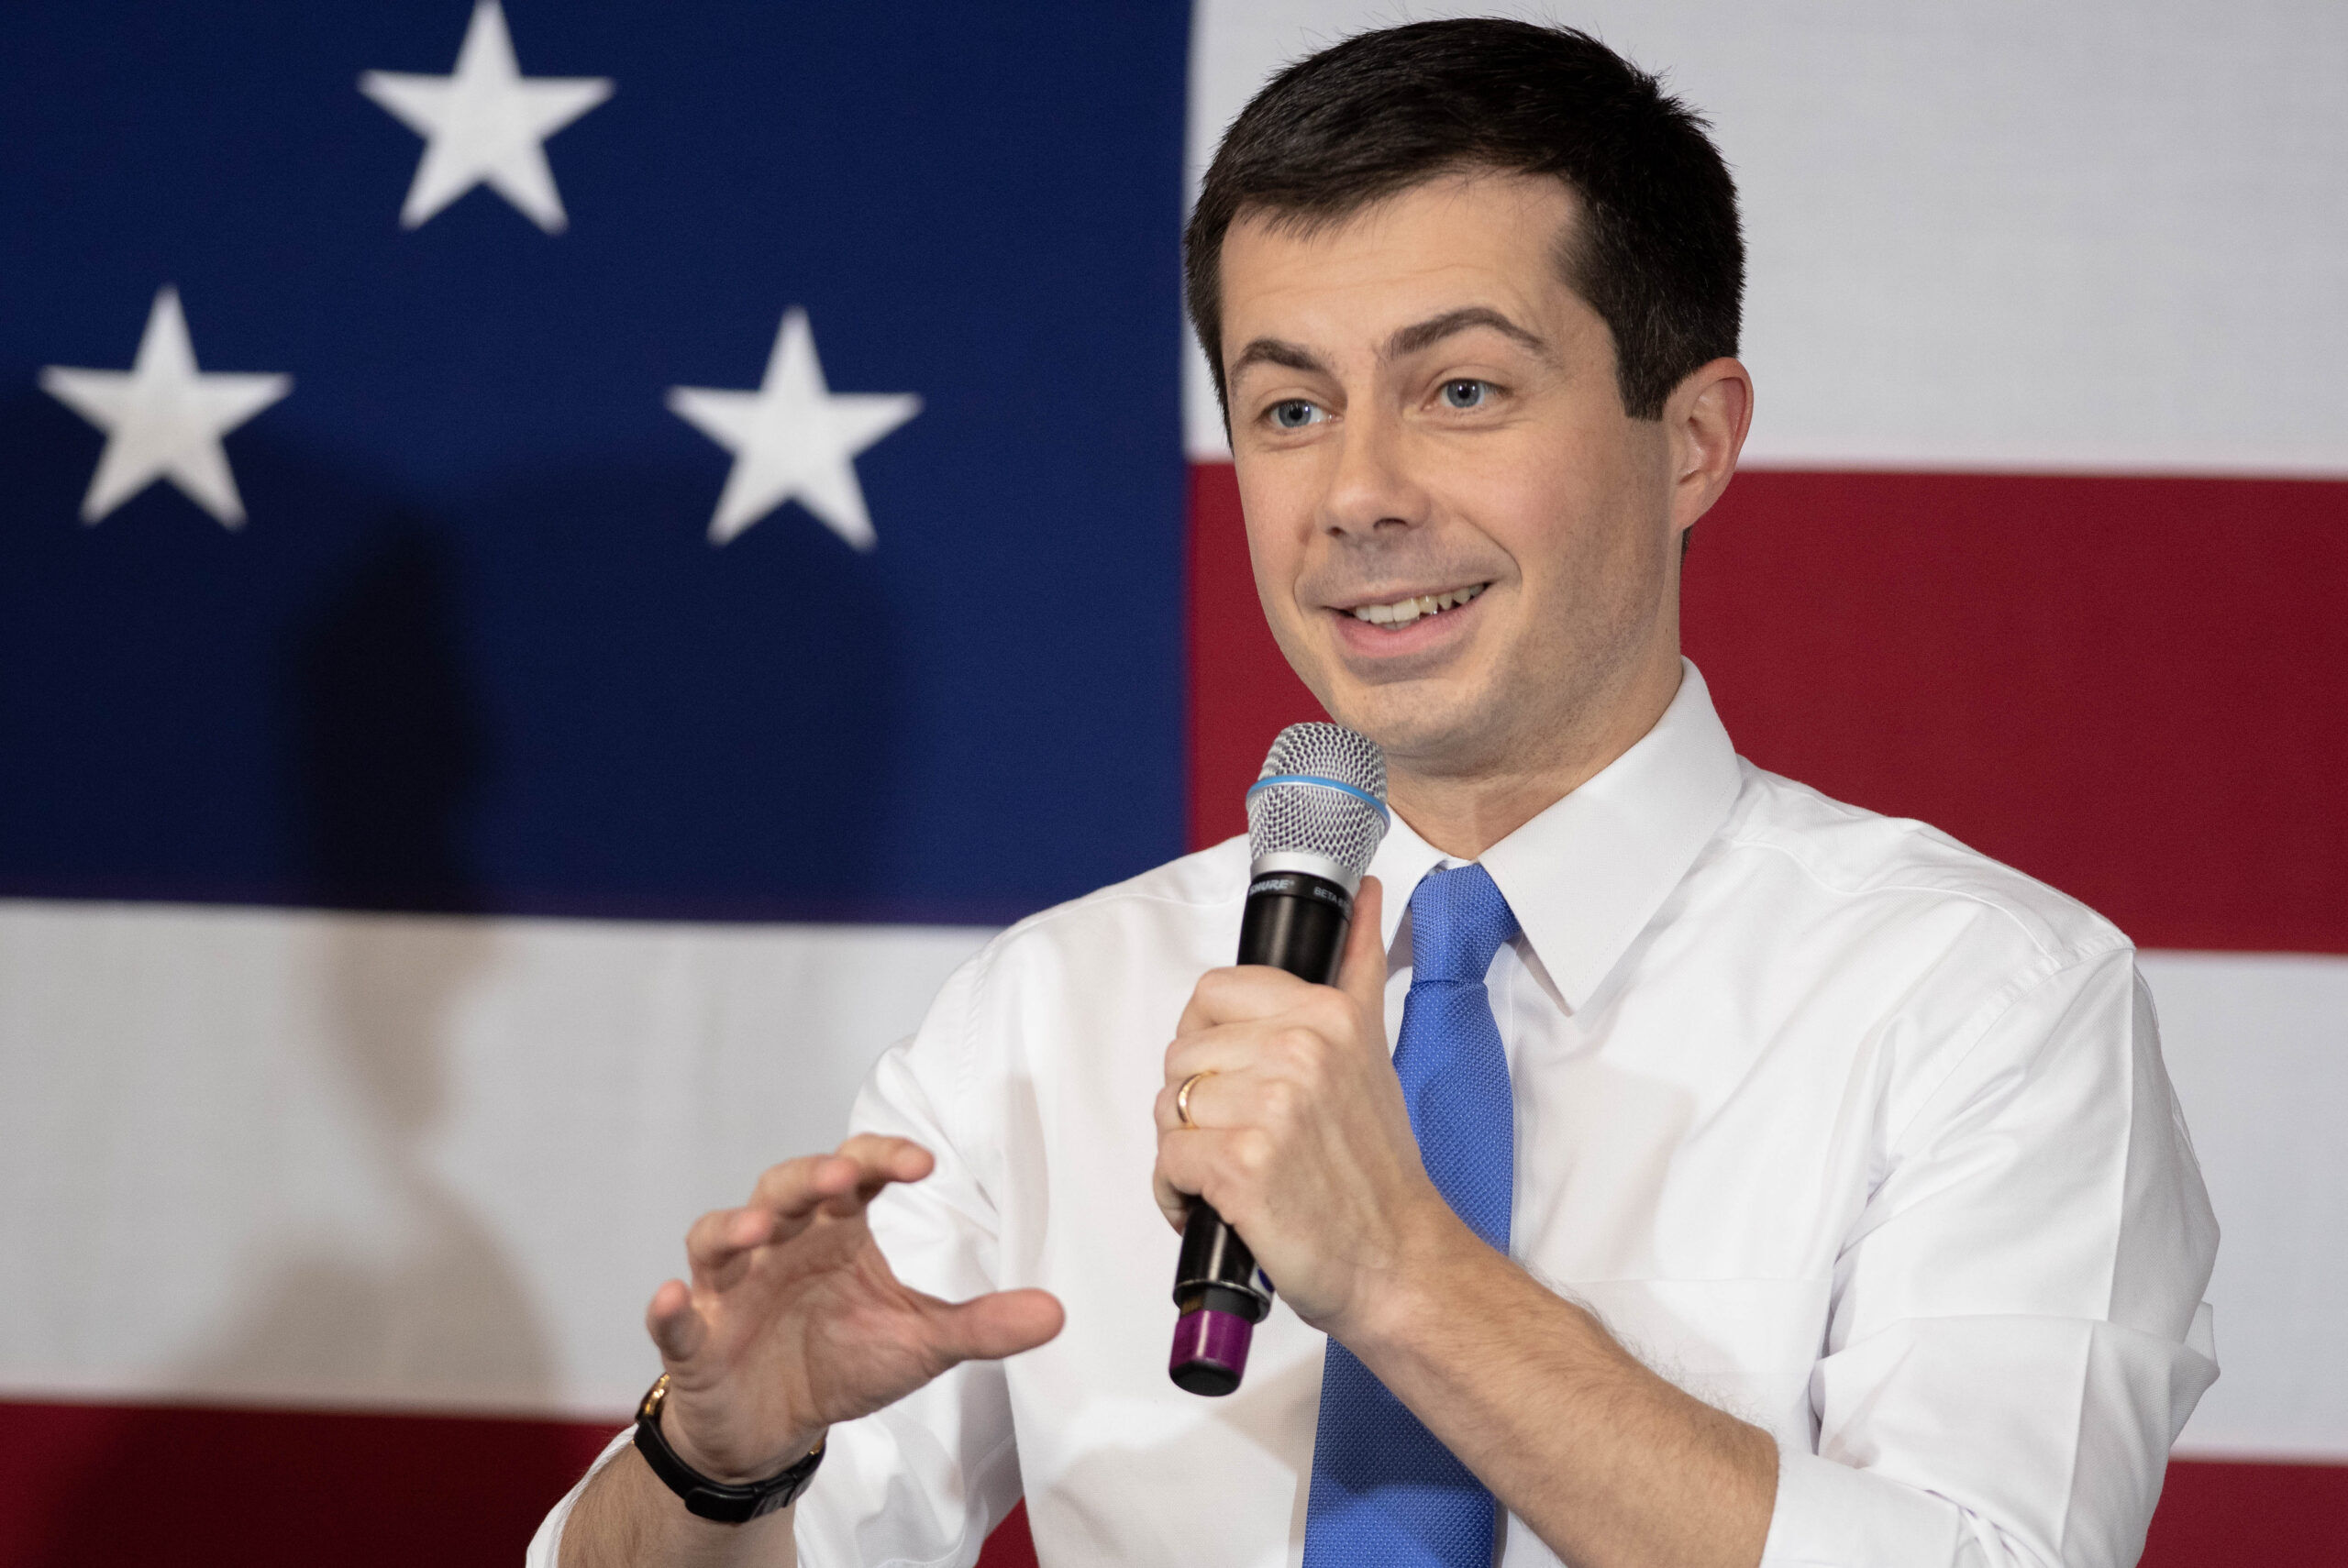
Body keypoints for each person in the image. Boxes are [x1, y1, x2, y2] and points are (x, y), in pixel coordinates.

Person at [537, 19, 2218, 1568]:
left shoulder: (1987, 1003)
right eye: (1289, 406)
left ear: (1692, 439)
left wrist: (1402, 1269)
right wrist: (714, 1466)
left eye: (1462, 389)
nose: (1355, 493)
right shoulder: (1051, 1007)